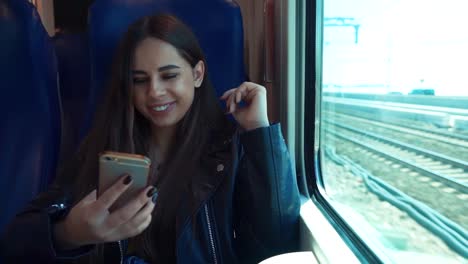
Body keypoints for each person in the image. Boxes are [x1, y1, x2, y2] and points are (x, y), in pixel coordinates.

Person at [2, 14, 300, 264]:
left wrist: (259, 131)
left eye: (169, 76)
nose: (154, 92)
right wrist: (71, 232)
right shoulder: (104, 146)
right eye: (140, 80)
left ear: (197, 74)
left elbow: (276, 238)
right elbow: (16, 239)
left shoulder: (230, 146)